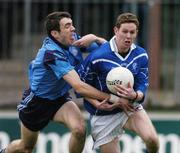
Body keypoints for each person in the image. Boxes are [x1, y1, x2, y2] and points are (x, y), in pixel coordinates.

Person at [0, 11, 134, 153]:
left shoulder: (73, 40)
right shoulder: (51, 54)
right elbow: (78, 86)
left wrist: (96, 38)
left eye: (72, 25)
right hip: (37, 103)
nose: (73, 29)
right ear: (55, 34)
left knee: (79, 130)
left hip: (59, 99)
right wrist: (114, 98)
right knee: (25, 148)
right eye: (67, 26)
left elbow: (108, 51)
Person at [78, 12, 159, 153]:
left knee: (153, 141)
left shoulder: (141, 54)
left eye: (132, 32)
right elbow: (81, 87)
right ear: (116, 30)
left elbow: (142, 83)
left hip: (129, 107)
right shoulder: (97, 57)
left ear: (136, 33)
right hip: (104, 114)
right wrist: (96, 103)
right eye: (125, 31)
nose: (128, 36)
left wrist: (135, 95)